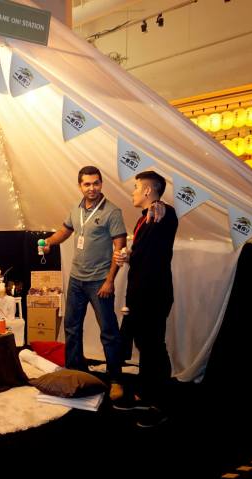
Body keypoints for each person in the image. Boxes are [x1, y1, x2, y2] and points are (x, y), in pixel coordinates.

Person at [40, 166, 127, 400]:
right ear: (80, 185)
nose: (92, 188)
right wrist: (49, 242)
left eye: (96, 183)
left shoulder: (112, 212)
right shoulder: (76, 209)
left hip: (100, 282)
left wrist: (110, 281)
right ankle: (75, 372)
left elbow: (120, 249)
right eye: (87, 184)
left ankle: (116, 379)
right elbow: (64, 232)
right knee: (71, 328)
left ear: (101, 184)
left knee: (109, 332)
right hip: (77, 280)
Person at [113, 170, 178, 428]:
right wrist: (126, 256)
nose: (133, 191)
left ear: (149, 192)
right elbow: (144, 254)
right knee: (143, 345)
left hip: (154, 294)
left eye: (137, 187)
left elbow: (166, 213)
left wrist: (161, 204)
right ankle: (144, 394)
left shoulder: (163, 213)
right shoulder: (143, 219)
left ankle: (161, 404)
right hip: (139, 293)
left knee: (153, 348)